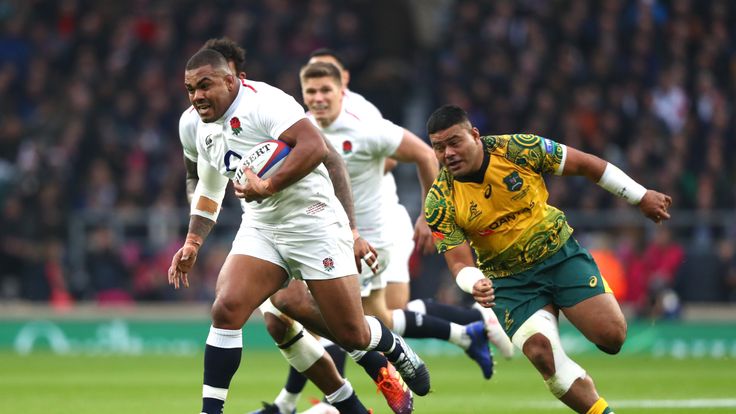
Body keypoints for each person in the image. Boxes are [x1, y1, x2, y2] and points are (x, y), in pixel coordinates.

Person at [169, 48, 429, 414]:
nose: (196, 96)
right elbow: (207, 185)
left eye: (204, 85)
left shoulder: (267, 102)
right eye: (190, 88)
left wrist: (271, 186)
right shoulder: (192, 124)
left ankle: (390, 347)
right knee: (228, 307)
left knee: (351, 331)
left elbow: (316, 147)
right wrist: (194, 240)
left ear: (231, 80)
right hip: (262, 226)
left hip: (313, 220)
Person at [424, 104, 673, 414]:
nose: (447, 153)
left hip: (559, 255)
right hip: (509, 282)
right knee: (542, 354)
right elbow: (459, 262)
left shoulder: (517, 149)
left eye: (454, 142)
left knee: (612, 338)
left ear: (475, 135)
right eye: (438, 147)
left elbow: (587, 165)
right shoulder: (439, 200)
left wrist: (639, 196)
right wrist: (474, 282)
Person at [306, 49, 514, 361]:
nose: (319, 95)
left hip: (377, 225)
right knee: (383, 314)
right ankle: (472, 325)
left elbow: (397, 155)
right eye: (312, 87)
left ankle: (320, 401)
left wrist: (429, 215)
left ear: (342, 81)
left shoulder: (362, 118)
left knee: (346, 318)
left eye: (327, 85)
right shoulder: (305, 123)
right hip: (341, 230)